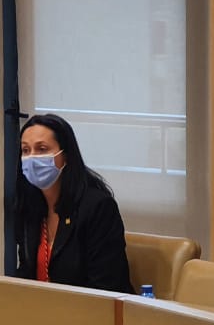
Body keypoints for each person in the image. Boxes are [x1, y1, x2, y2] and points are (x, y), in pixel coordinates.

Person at [11, 113, 133, 293]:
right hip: (41, 307)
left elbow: (106, 286)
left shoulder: (97, 207)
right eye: (26, 150)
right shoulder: (29, 208)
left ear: (65, 155)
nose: (32, 158)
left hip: (90, 308)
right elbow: (26, 274)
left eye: (42, 149)